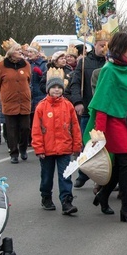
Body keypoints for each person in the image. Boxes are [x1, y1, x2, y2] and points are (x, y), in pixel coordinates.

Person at [88, 32, 127, 223]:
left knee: (121, 166)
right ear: (120, 48)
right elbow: (102, 103)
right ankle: (126, 208)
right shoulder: (109, 70)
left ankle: (103, 195)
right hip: (114, 123)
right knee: (126, 163)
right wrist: (98, 134)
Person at [32, 68, 82, 215]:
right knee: (46, 176)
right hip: (47, 150)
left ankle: (67, 201)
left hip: (65, 148)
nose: (56, 90)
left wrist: (76, 145)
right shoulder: (41, 106)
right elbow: (36, 129)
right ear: (48, 89)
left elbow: (75, 127)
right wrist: (39, 148)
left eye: (59, 87)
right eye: (53, 87)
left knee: (65, 176)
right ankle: (46, 196)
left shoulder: (68, 105)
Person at [69, 30, 109, 188]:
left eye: (106, 46)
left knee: (106, 145)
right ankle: (83, 173)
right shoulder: (84, 62)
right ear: (95, 45)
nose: (103, 48)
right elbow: (75, 83)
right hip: (88, 109)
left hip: (106, 111)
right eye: (101, 45)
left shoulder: (111, 62)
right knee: (87, 143)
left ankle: (106, 176)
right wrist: (77, 101)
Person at [0, 43, 32, 164]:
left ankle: (23, 148)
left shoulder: (26, 65)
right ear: (11, 52)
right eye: (17, 50)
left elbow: (28, 79)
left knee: (25, 128)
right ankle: (14, 153)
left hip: (24, 101)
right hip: (10, 101)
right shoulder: (1, 65)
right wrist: (6, 93)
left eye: (21, 50)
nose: (21, 52)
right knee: (11, 129)